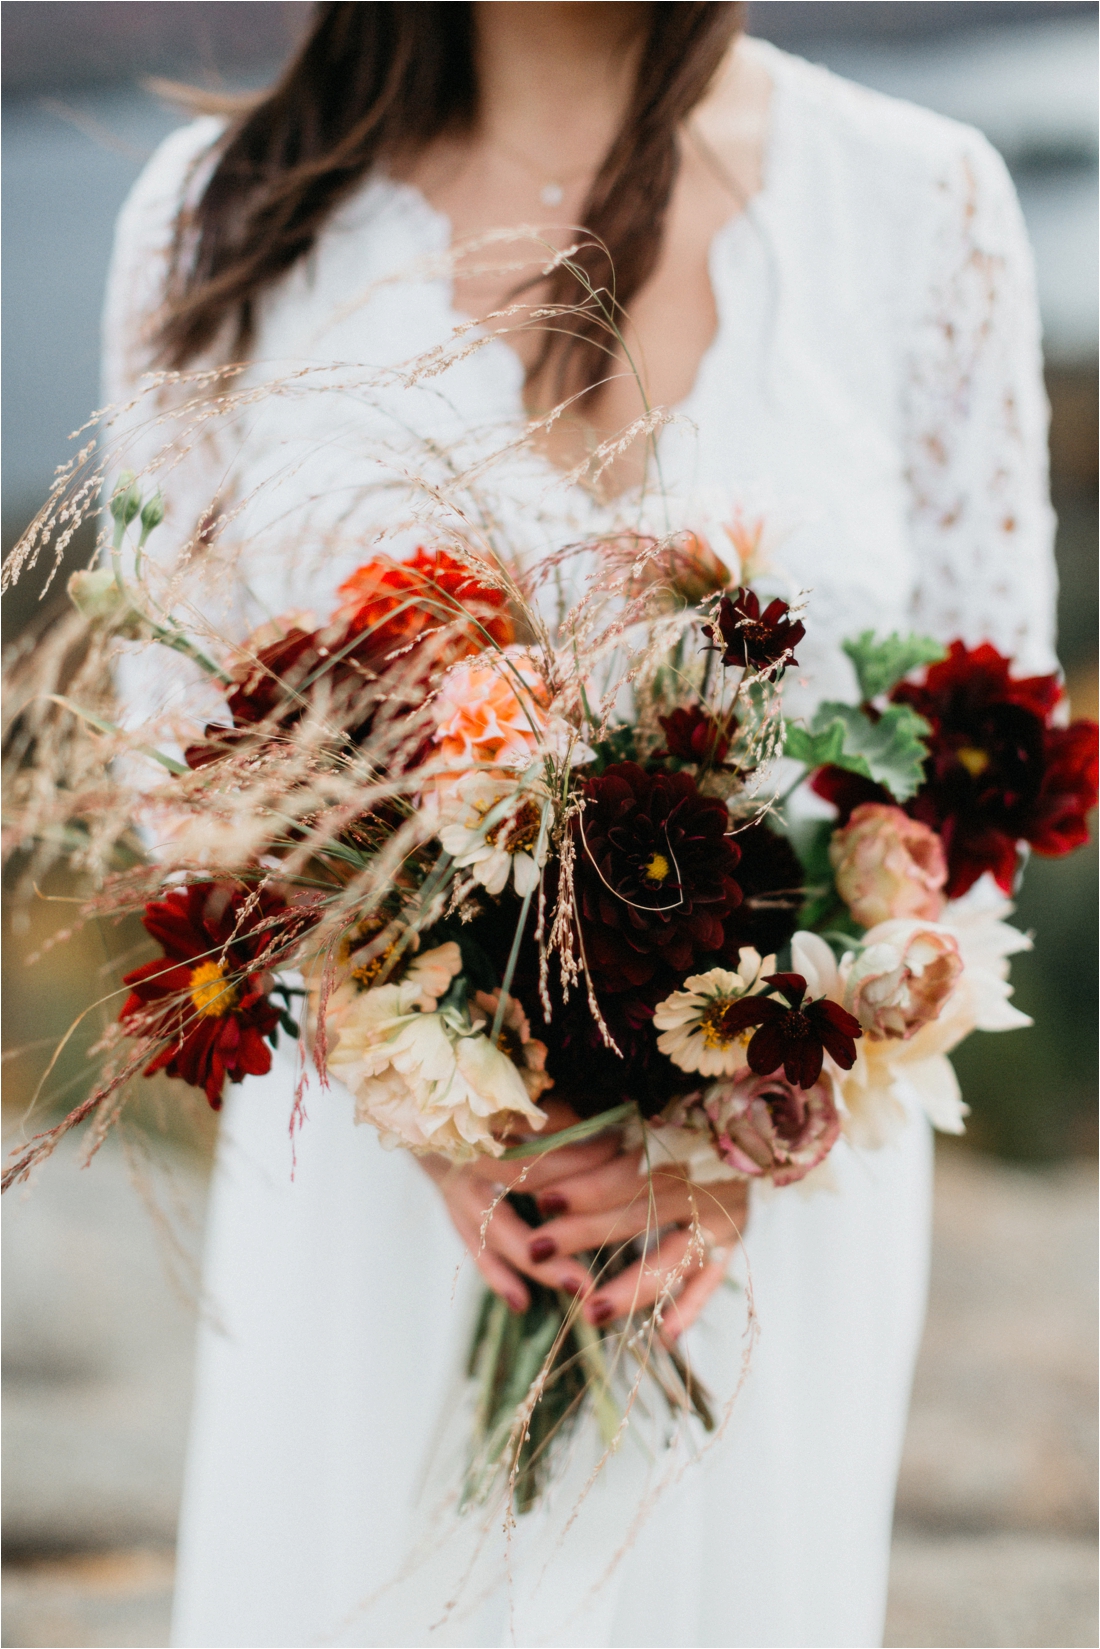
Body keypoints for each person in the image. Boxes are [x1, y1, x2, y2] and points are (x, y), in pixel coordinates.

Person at [102, 5, 1057, 1645]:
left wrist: (745, 1110)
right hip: (380, 1223)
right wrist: (423, 1073)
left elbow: (991, 763)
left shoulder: (922, 201)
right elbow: (169, 764)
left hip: (760, 1243)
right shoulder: (225, 213)